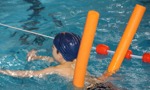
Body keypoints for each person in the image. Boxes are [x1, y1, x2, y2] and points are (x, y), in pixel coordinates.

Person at [0, 32, 81, 79]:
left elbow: (30, 74)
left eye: (53, 48)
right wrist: (37, 57)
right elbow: (52, 60)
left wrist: (2, 71)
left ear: (60, 54)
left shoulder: (56, 69)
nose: (51, 49)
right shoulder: (76, 62)